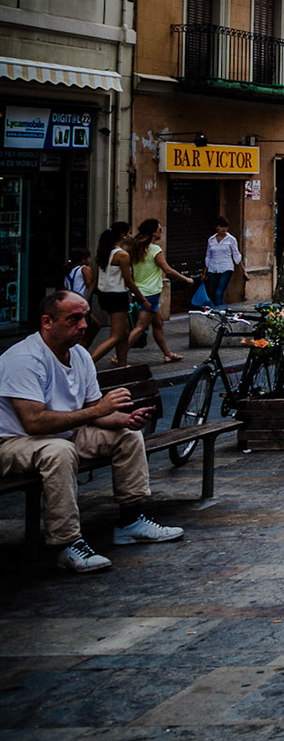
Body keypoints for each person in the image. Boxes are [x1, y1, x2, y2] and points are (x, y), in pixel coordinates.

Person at [0, 290, 184, 573]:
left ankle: (130, 521)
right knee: (58, 451)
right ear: (47, 321)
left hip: (65, 433)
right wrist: (99, 411)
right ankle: (66, 543)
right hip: (14, 441)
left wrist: (124, 419)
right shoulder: (24, 359)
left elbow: (94, 409)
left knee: (127, 436)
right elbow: (33, 423)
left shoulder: (80, 355)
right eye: (73, 319)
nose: (84, 326)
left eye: (85, 317)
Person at [127, 218, 188, 363]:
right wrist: (186, 279)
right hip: (151, 293)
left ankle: (167, 353)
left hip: (140, 291)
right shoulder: (155, 250)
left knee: (158, 324)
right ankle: (119, 355)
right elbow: (167, 269)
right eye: (160, 229)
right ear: (154, 233)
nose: (161, 232)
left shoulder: (135, 249)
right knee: (141, 327)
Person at [90, 223, 136, 367]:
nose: (130, 236)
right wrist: (142, 298)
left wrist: (86, 300)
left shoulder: (104, 253)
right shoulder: (122, 255)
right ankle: (87, 364)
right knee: (116, 336)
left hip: (104, 295)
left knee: (125, 332)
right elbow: (128, 281)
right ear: (123, 235)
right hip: (117, 296)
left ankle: (122, 364)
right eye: (129, 233)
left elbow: (94, 280)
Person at [203, 217, 246, 309]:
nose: (224, 229)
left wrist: (243, 271)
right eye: (221, 226)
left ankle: (220, 314)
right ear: (216, 227)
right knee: (215, 293)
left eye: (225, 227)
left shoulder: (231, 240)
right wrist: (204, 273)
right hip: (212, 269)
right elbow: (208, 256)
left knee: (219, 292)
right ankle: (220, 310)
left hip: (226, 268)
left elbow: (236, 255)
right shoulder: (211, 240)